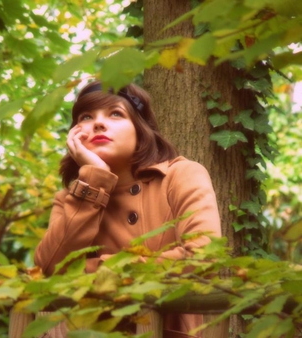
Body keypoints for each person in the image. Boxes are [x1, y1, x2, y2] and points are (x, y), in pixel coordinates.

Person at [34, 80, 221, 338]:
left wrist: (97, 269)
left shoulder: (181, 175)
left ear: (140, 129)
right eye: (86, 117)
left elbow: (203, 258)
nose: (98, 123)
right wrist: (95, 180)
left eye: (116, 113)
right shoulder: (71, 198)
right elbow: (50, 269)